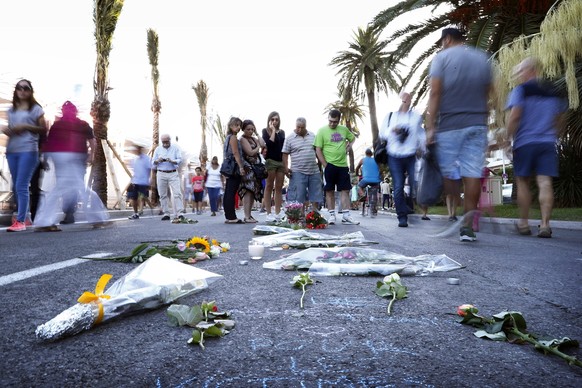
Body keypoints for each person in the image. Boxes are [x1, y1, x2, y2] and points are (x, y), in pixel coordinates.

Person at [426, 27, 493, 241]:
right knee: (472, 173)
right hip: (477, 123)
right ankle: (467, 225)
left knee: (448, 172)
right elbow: (490, 92)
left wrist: (430, 125)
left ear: (446, 39)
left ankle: (453, 213)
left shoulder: (441, 58)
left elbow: (435, 92)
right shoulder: (481, 58)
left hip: (450, 124)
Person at [505, 57, 566, 238]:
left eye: (520, 72)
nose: (518, 76)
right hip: (547, 143)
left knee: (523, 181)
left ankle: (524, 224)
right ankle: (545, 225)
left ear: (531, 70)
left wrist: (508, 138)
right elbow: (561, 117)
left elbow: (515, 116)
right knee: (545, 181)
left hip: (525, 143)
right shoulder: (553, 91)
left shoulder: (521, 90)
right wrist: (555, 133)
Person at [34, 101, 110, 230]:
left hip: (61, 157)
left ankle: (44, 221)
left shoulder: (58, 125)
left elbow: (49, 143)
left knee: (61, 188)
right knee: (79, 188)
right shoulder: (82, 124)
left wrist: (46, 159)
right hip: (75, 157)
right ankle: (98, 218)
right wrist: (91, 155)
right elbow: (93, 142)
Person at [2, 80, 47, 232]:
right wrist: (7, 130)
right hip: (12, 150)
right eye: (19, 88)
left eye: (25, 88)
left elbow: (43, 129)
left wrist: (26, 126)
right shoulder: (11, 110)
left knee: (21, 185)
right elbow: (11, 128)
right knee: (16, 186)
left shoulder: (36, 109)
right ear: (16, 91)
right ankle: (25, 217)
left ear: (30, 91)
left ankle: (20, 221)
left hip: (29, 150)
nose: (22, 91)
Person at [379, 92, 425, 227]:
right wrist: (394, 130)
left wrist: (422, 147)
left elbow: (420, 133)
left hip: (410, 155)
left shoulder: (416, 117)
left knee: (413, 184)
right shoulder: (390, 117)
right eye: (403, 98)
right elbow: (382, 133)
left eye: (408, 98)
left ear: (411, 100)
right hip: (394, 156)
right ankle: (402, 216)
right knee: (398, 186)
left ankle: (409, 206)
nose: (405, 100)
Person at [314, 109, 358, 225]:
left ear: (339, 120)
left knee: (345, 190)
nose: (333, 124)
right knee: (329, 190)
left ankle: (346, 215)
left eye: (335, 122)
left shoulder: (344, 129)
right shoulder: (322, 131)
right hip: (329, 166)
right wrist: (325, 165)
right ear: (328, 119)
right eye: (331, 121)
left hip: (343, 165)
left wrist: (348, 147)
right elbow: (318, 149)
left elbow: (353, 138)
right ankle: (332, 215)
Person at [282, 117, 322, 217]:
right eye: (298, 127)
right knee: (299, 195)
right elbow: (285, 154)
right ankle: (299, 215)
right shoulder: (290, 138)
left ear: (305, 127)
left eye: (302, 127)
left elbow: (318, 151)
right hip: (297, 171)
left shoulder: (313, 136)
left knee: (316, 194)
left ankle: (315, 215)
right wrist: (286, 169)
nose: (299, 129)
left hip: (313, 170)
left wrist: (320, 166)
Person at [239, 119, 266, 223]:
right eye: (248, 129)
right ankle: (246, 215)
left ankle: (249, 215)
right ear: (243, 129)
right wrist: (258, 147)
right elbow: (250, 152)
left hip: (255, 169)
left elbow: (263, 144)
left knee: (253, 191)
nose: (250, 131)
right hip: (248, 168)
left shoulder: (254, 138)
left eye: (252, 129)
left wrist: (257, 133)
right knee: (248, 191)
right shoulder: (242, 139)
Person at [152, 134, 185, 221]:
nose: (165, 143)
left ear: (170, 140)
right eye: (164, 142)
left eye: (167, 141)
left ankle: (180, 213)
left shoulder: (175, 148)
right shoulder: (158, 149)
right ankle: (166, 213)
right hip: (161, 173)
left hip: (173, 172)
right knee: (162, 194)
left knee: (177, 193)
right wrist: (158, 160)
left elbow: (179, 159)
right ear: (161, 141)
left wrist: (172, 161)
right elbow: (153, 162)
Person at [262, 111, 286, 222]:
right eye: (272, 119)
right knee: (269, 186)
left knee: (279, 187)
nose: (274, 121)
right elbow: (270, 144)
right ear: (269, 120)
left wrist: (286, 164)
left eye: (276, 119)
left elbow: (283, 148)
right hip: (270, 160)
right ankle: (268, 212)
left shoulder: (282, 132)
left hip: (280, 161)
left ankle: (277, 212)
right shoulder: (265, 131)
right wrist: (272, 130)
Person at [223, 117, 246, 224]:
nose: (238, 128)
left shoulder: (228, 137)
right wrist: (241, 167)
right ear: (231, 125)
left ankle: (229, 216)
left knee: (228, 191)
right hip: (234, 166)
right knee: (231, 192)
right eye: (236, 125)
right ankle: (231, 216)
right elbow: (236, 153)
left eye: (239, 125)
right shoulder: (232, 138)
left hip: (229, 166)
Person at [127, 143, 152, 220]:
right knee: (133, 198)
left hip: (143, 182)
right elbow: (133, 170)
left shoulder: (146, 158)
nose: (136, 150)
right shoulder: (134, 159)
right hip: (135, 181)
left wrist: (149, 180)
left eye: (137, 149)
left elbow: (149, 169)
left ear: (140, 149)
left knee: (141, 197)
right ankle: (135, 213)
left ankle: (141, 210)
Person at [355, 148, 381, 217]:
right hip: (375, 180)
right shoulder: (376, 160)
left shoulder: (362, 160)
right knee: (374, 194)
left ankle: (363, 195)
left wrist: (357, 174)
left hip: (366, 180)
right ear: (372, 154)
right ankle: (373, 210)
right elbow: (379, 169)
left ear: (365, 153)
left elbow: (357, 168)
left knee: (359, 186)